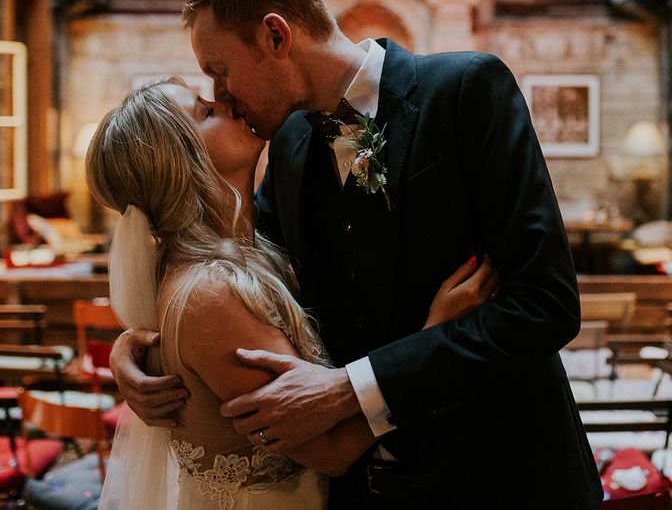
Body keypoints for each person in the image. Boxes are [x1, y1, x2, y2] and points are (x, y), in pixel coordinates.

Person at [110, 0, 603, 509]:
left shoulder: (466, 90)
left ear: (276, 36)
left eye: (220, 71)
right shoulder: (291, 142)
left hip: (505, 477)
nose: (221, 94)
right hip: (367, 492)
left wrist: (351, 388)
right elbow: (253, 276)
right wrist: (139, 348)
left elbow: (546, 304)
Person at [86, 79, 497, 509]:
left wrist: (127, 345)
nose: (226, 99)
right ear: (184, 164)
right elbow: (331, 450)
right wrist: (434, 336)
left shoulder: (247, 248)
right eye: (206, 112)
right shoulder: (210, 293)